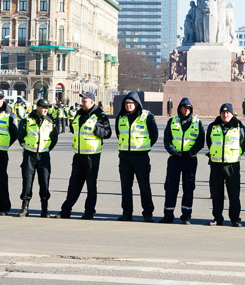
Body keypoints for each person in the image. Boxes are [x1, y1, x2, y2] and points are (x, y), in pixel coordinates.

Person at [57, 90, 111, 220]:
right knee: (73, 184)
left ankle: (89, 212)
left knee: (91, 185)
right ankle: (65, 211)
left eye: (85, 101)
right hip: (78, 154)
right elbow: (73, 128)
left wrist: (96, 129)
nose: (82, 103)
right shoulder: (79, 113)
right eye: (82, 101)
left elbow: (108, 133)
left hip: (92, 156)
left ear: (92, 102)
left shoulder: (100, 115)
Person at [116, 91, 159, 222]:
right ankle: (127, 212)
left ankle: (147, 213)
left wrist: (144, 146)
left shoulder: (147, 117)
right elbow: (119, 133)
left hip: (141, 156)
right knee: (125, 186)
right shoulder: (121, 117)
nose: (128, 106)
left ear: (137, 104)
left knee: (144, 186)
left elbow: (154, 135)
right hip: (125, 157)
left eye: (131, 103)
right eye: (126, 103)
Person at [162, 97, 204, 224]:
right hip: (175, 159)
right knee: (171, 187)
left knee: (188, 187)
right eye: (184, 107)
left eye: (189, 108)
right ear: (179, 108)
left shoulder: (197, 123)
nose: (186, 110)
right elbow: (167, 139)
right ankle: (168, 214)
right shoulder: (172, 121)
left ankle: (186, 215)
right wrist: (173, 151)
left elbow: (200, 141)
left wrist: (191, 152)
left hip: (190, 160)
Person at [206, 103, 245, 227]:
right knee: (216, 193)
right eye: (223, 113)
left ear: (232, 113)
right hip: (216, 164)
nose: (225, 115)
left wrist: (236, 154)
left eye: (228, 113)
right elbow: (209, 142)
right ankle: (217, 217)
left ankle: (235, 218)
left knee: (234, 193)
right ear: (220, 114)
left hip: (232, 165)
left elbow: (244, 143)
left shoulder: (239, 127)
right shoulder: (213, 126)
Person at [19, 98, 57, 217]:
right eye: (43, 107)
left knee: (44, 181)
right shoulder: (27, 119)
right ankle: (25, 207)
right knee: (27, 181)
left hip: (44, 155)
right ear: (37, 108)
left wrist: (45, 149)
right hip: (29, 154)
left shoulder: (50, 121)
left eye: (47, 107)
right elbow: (20, 134)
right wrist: (26, 146)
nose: (45, 109)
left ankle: (44, 209)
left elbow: (54, 138)